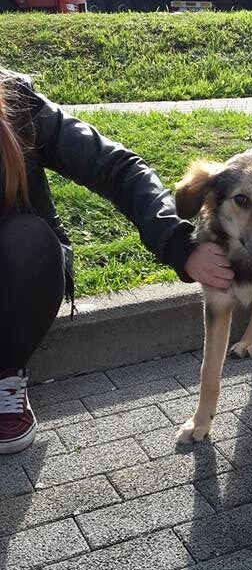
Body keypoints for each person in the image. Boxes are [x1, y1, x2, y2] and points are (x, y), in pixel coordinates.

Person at [0, 69, 233, 454]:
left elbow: (118, 168)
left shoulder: (17, 103)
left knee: (28, 239)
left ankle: (6, 374)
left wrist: (180, 244)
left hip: (16, 271)